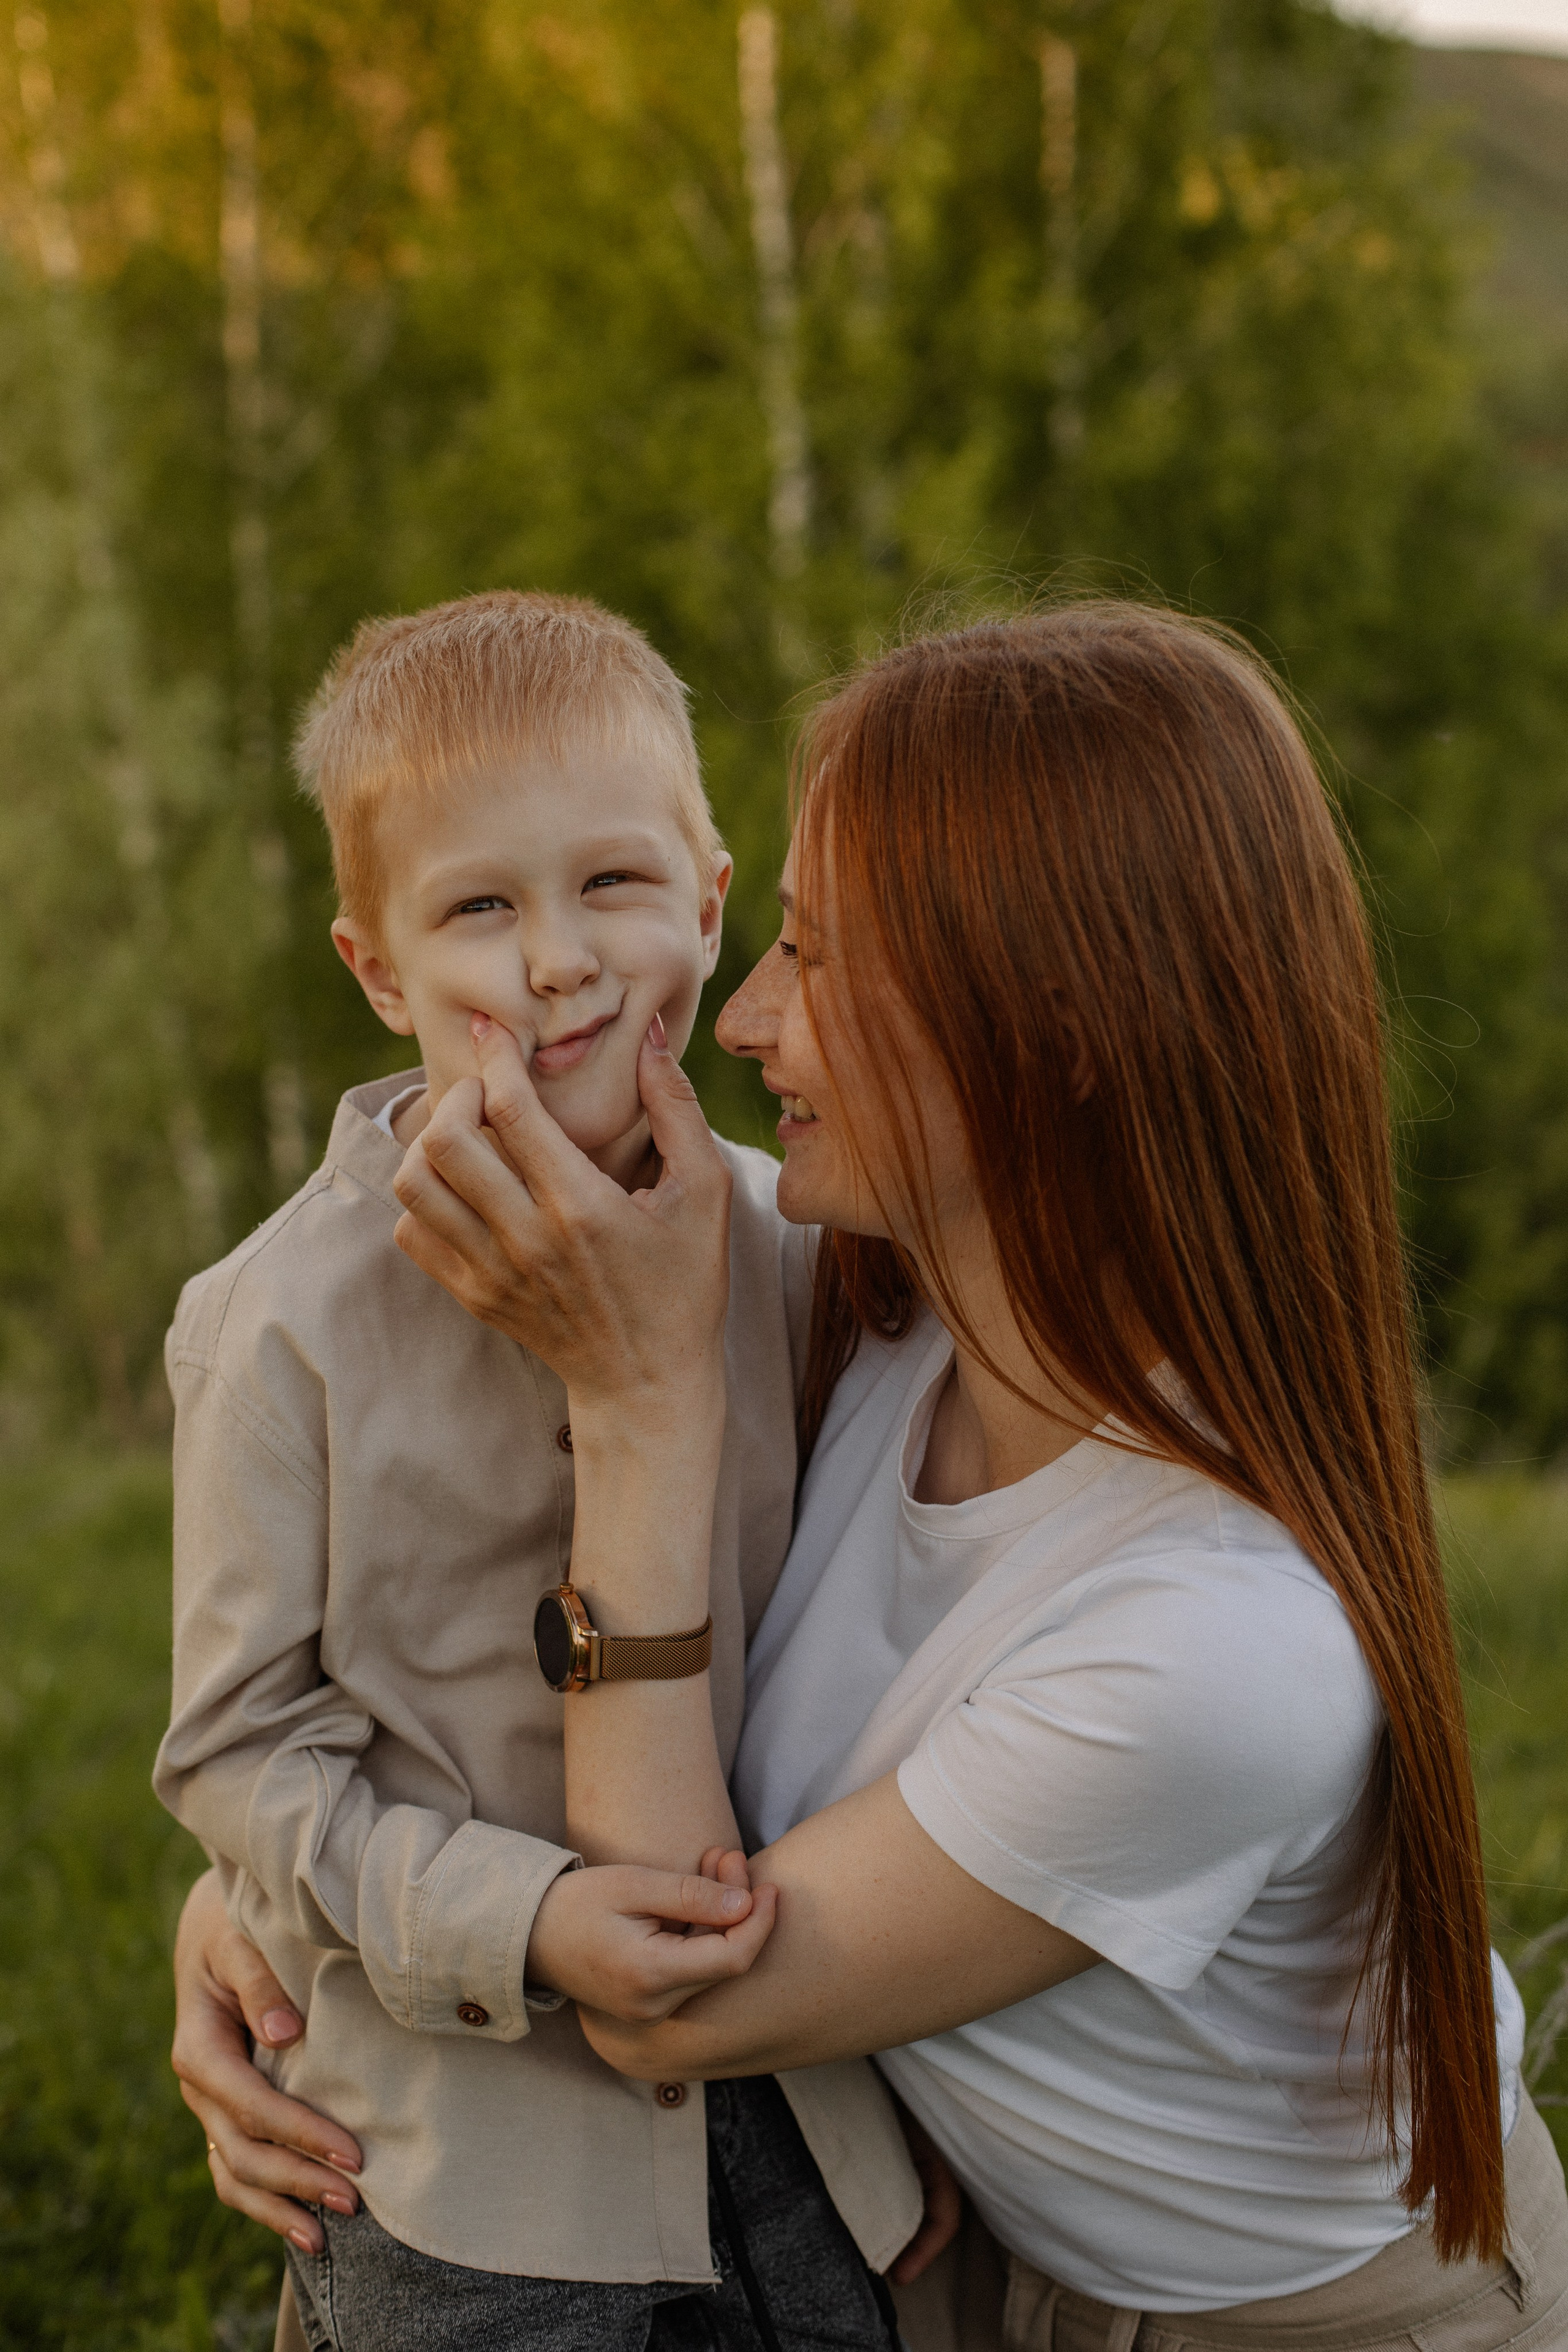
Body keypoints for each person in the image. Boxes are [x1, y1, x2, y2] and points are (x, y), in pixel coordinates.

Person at [176, 605, 1568, 2352]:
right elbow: (328, 1707)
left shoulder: (1217, 1654)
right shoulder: (869, 1317)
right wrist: (263, 1918)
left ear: (1053, 1030)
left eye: (818, 957)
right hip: (972, 2256)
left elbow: (674, 2006)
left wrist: (638, 1405)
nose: (745, 1016)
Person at [153, 588, 927, 2352]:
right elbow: (240, 1758)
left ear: (711, 905)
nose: (561, 959)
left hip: (803, 2112)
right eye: (482, 908)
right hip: (459, 2173)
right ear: (376, 967)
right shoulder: (278, 1326)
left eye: (613, 884)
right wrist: (526, 1922)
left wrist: (894, 2123)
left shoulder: (805, 1254)